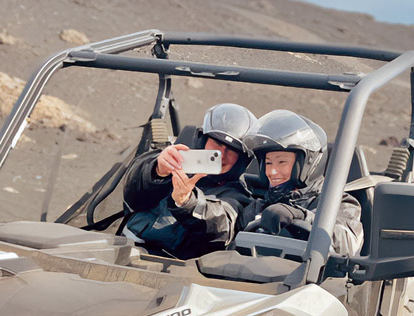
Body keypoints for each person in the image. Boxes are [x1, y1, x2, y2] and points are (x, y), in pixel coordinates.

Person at [123, 103, 255, 259]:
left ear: (241, 160)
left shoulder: (238, 198)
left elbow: (219, 224)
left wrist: (187, 202)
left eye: (232, 150)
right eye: (217, 143)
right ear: (203, 141)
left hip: (171, 267)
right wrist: (157, 170)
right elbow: (131, 193)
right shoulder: (176, 164)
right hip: (120, 249)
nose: (221, 154)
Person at [237, 110, 363, 255]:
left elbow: (348, 242)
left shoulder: (337, 203)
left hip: (312, 275)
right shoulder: (258, 207)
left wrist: (301, 216)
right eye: (268, 163)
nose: (272, 172)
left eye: (282, 162)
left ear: (308, 164)